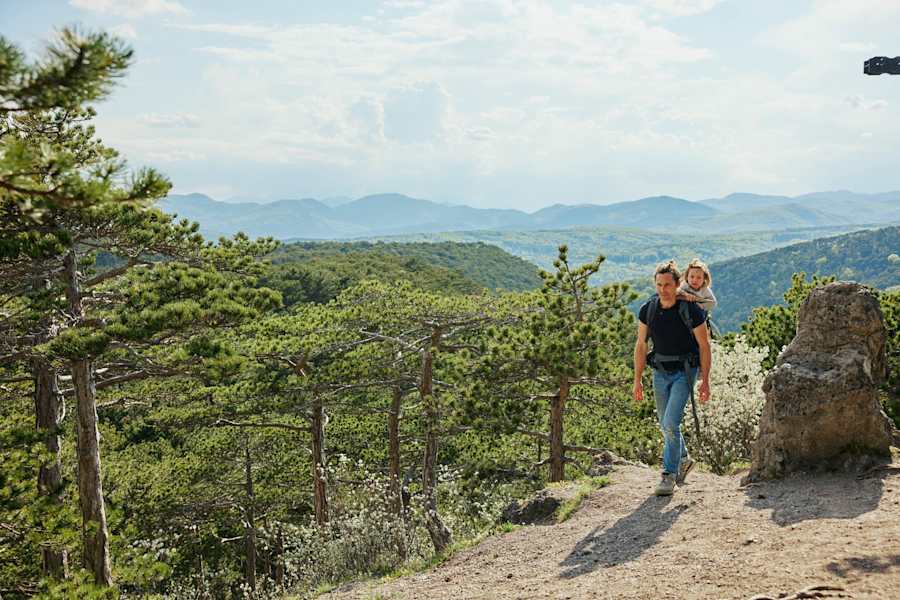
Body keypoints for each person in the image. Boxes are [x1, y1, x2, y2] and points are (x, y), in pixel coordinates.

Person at [633, 260, 712, 496]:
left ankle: (668, 475)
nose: (662, 289)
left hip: (685, 373)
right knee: (665, 425)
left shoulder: (691, 310)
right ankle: (684, 458)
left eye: (668, 285)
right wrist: (637, 379)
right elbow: (640, 345)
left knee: (670, 423)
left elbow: (704, 345)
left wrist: (705, 380)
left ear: (678, 284)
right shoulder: (648, 309)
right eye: (659, 284)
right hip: (659, 372)